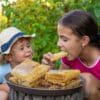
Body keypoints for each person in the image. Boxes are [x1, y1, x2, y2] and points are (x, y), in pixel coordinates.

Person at [42, 9, 100, 100]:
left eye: (64, 39)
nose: (58, 44)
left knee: (86, 79)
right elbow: (60, 86)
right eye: (59, 38)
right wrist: (50, 70)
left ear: (84, 41)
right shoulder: (69, 57)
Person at [0, 27, 35, 100]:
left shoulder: (34, 67)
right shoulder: (3, 70)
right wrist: (2, 86)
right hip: (11, 96)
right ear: (9, 57)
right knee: (2, 94)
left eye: (28, 46)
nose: (28, 50)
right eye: (22, 48)